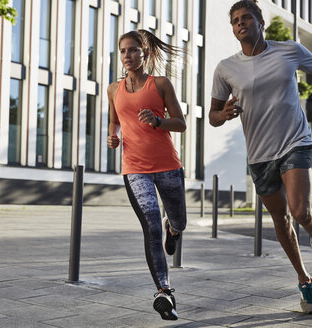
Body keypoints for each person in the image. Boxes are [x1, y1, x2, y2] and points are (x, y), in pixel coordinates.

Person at [210, 0, 312, 313]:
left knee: (300, 210)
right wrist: (224, 113)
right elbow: (212, 115)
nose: (241, 24)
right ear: (232, 29)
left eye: (246, 18)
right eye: (235, 21)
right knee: (280, 219)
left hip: (295, 141)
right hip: (259, 154)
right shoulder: (226, 68)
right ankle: (304, 279)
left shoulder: (289, 50)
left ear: (260, 22)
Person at [107, 29, 187, 321]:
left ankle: (174, 229)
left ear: (145, 52)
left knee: (178, 220)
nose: (127, 56)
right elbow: (115, 122)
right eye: (123, 51)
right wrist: (112, 137)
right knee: (150, 225)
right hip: (135, 168)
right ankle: (164, 291)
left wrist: (157, 121)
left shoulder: (161, 84)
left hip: (168, 166)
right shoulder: (113, 89)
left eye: (133, 50)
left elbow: (180, 123)